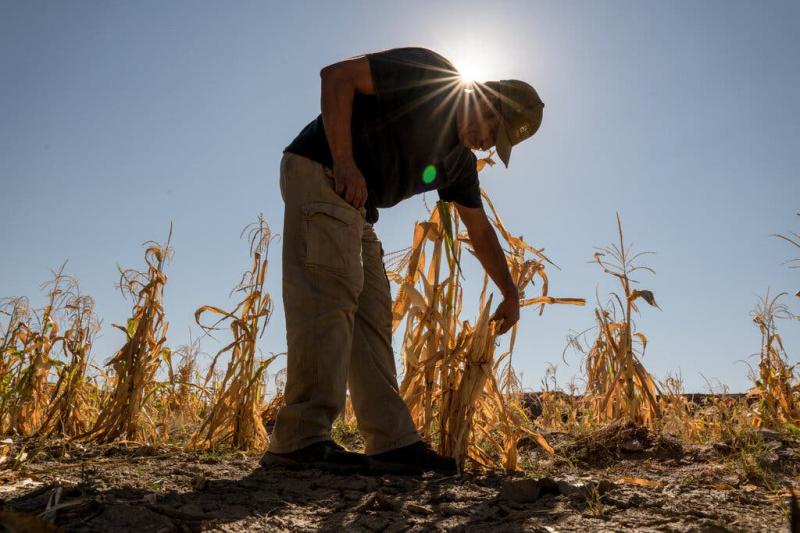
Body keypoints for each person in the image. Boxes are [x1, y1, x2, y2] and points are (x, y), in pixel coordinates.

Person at [261, 47, 544, 474]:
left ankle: (391, 441)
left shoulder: (459, 164)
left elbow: (481, 231)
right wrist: (344, 161)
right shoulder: (431, 75)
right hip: (322, 170)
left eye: (496, 144)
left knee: (373, 313)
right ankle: (298, 440)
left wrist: (510, 292)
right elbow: (337, 78)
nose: (487, 145)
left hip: (357, 207)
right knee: (329, 294)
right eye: (493, 131)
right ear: (487, 101)